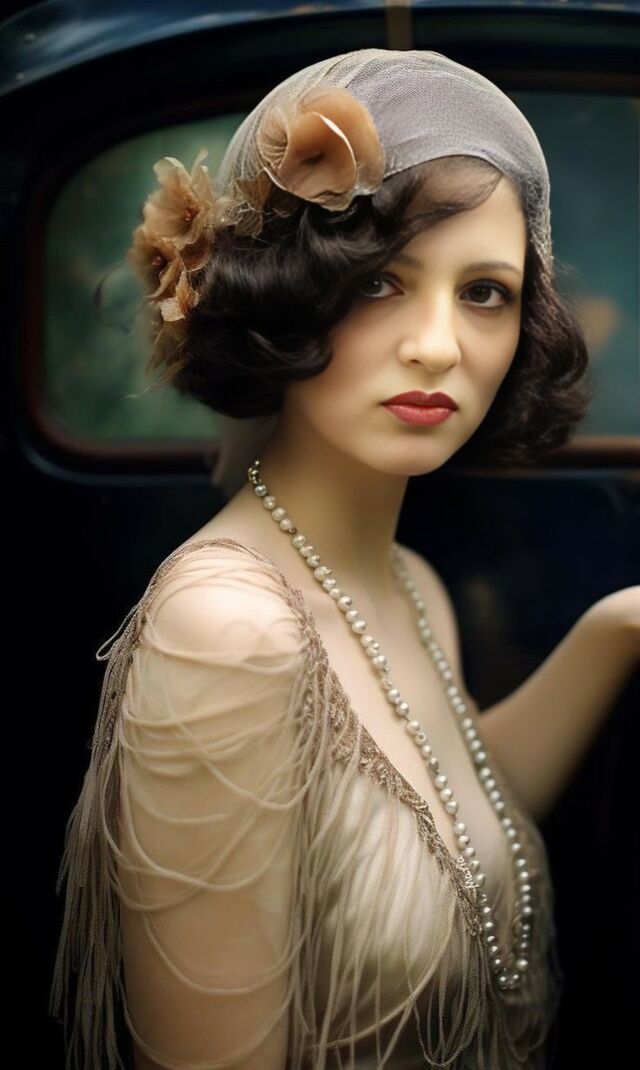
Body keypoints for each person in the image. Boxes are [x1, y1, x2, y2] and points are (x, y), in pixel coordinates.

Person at [49, 48, 640, 1070]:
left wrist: (617, 627)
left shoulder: (410, 584)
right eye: (378, 281)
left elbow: (448, 822)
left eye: (484, 292)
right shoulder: (228, 634)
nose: (438, 345)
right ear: (284, 291)